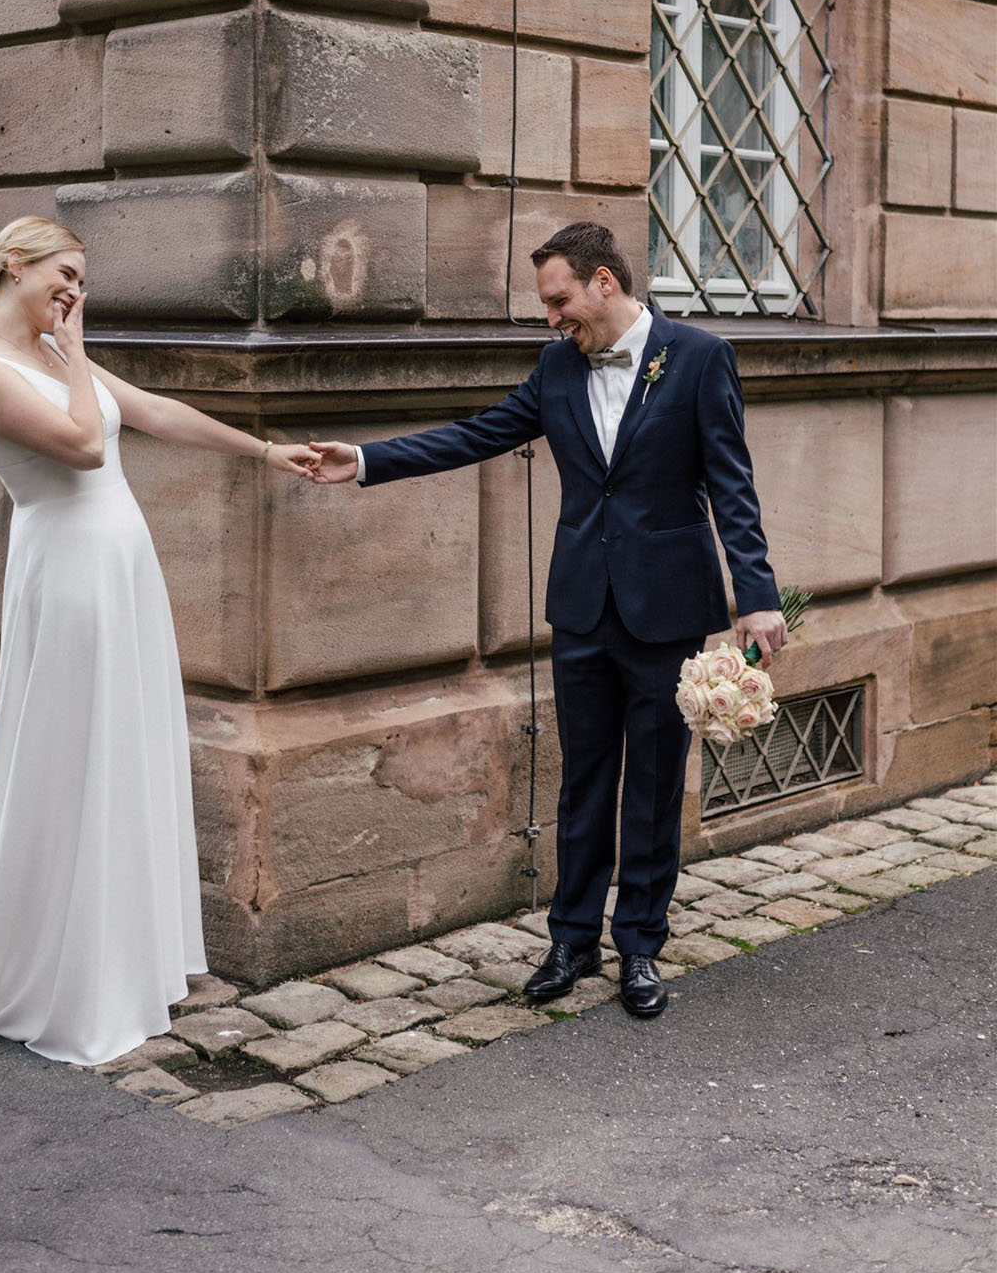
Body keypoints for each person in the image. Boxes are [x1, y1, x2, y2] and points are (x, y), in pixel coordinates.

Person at [310, 222, 785, 1019]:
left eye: (560, 299)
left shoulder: (699, 358)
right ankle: (571, 938)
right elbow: (478, 434)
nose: (552, 318)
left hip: (666, 607)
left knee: (657, 782)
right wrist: (363, 461)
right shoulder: (556, 365)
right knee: (584, 780)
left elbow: (731, 484)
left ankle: (639, 944)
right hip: (581, 609)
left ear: (606, 281)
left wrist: (758, 593)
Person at [0, 217, 317, 1066]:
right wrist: (79, 348)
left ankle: (126, 957)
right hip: (71, 573)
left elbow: (155, 412)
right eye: (64, 274)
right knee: (76, 754)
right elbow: (88, 447)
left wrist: (265, 451)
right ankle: (64, 974)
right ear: (15, 266)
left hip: (122, 565)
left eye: (81, 281)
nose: (74, 292)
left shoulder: (57, 358)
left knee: (124, 748)